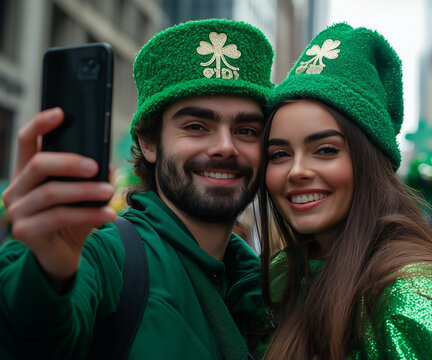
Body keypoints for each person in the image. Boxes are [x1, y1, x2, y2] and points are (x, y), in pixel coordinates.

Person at [0, 19, 273, 359]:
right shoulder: (106, 257)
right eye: (196, 126)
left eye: (247, 130)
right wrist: (46, 274)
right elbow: (27, 336)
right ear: (148, 143)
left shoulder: (270, 288)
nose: (225, 147)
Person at [256, 23, 432, 359]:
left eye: (325, 150)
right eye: (279, 154)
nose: (297, 171)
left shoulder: (414, 304)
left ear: (370, 164)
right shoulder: (280, 279)